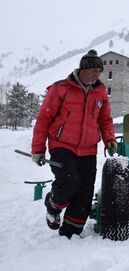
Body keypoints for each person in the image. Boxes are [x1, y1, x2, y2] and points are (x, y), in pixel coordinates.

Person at [31, 49, 117, 238]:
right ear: (82, 69)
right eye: (93, 70)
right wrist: (38, 149)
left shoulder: (100, 93)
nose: (96, 75)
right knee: (69, 182)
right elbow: (44, 119)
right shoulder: (60, 89)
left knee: (84, 191)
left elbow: (105, 120)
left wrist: (109, 138)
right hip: (62, 146)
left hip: (88, 149)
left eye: (99, 71)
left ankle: (70, 232)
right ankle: (53, 206)